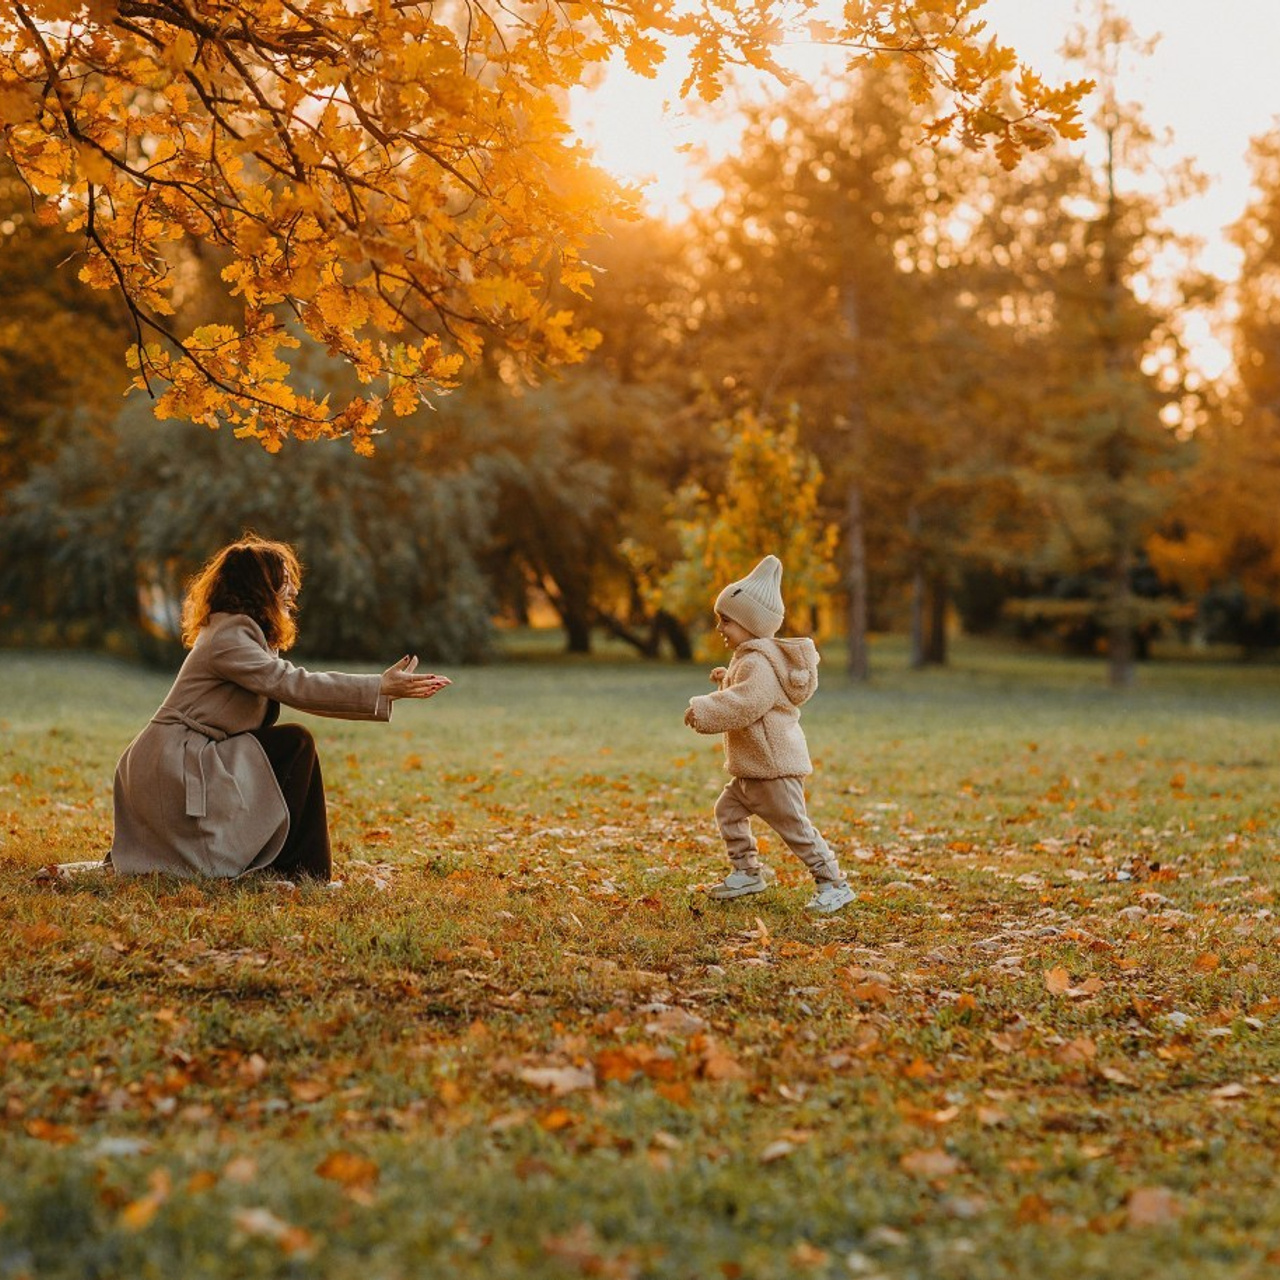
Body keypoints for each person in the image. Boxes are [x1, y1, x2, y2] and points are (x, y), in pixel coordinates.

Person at [109, 534, 450, 882]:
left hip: (184, 755)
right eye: (284, 582)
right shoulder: (230, 638)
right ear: (259, 588)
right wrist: (379, 687)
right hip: (172, 762)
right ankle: (305, 873)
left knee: (284, 748)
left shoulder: (237, 632)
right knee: (293, 745)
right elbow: (293, 684)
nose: (293, 591)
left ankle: (291, 868)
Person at [683, 554, 853, 914]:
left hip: (774, 770)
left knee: (796, 830)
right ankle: (747, 871)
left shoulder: (757, 662)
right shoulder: (751, 659)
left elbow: (747, 703)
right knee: (727, 812)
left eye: (725, 620)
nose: (720, 628)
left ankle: (834, 883)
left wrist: (704, 709)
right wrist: (725, 679)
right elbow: (746, 691)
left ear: (751, 624)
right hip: (752, 770)